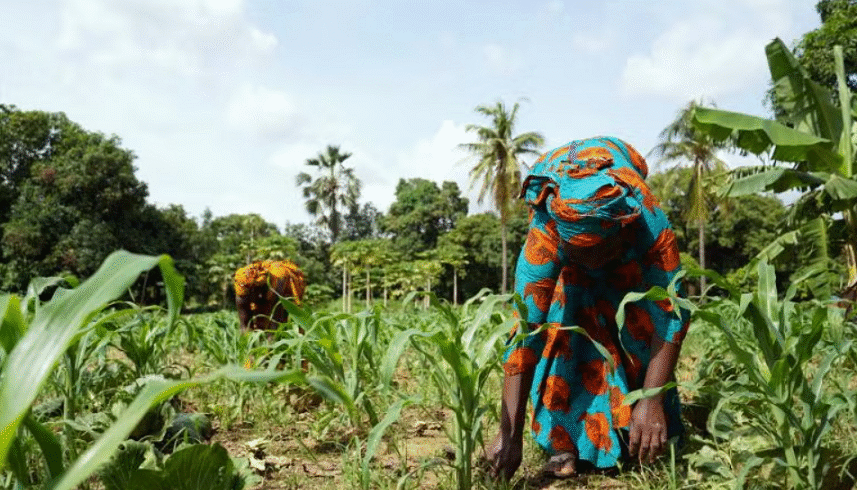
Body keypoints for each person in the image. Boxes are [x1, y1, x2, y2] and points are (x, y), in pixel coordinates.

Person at [486, 136, 689, 479]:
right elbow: (525, 337)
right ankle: (564, 439)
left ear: (620, 231)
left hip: (627, 262)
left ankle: (642, 422)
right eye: (584, 252)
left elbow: (672, 313)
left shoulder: (645, 221)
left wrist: (652, 398)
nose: (595, 262)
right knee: (564, 325)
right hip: (573, 264)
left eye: (602, 250)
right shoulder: (545, 237)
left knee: (638, 322)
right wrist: (509, 435)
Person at [234, 260, 306, 332]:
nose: (259, 295)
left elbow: (276, 321)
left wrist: (270, 340)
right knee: (258, 324)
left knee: (278, 323)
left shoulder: (278, 279)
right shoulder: (241, 285)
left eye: (260, 289)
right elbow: (244, 324)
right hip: (262, 291)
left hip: (284, 290)